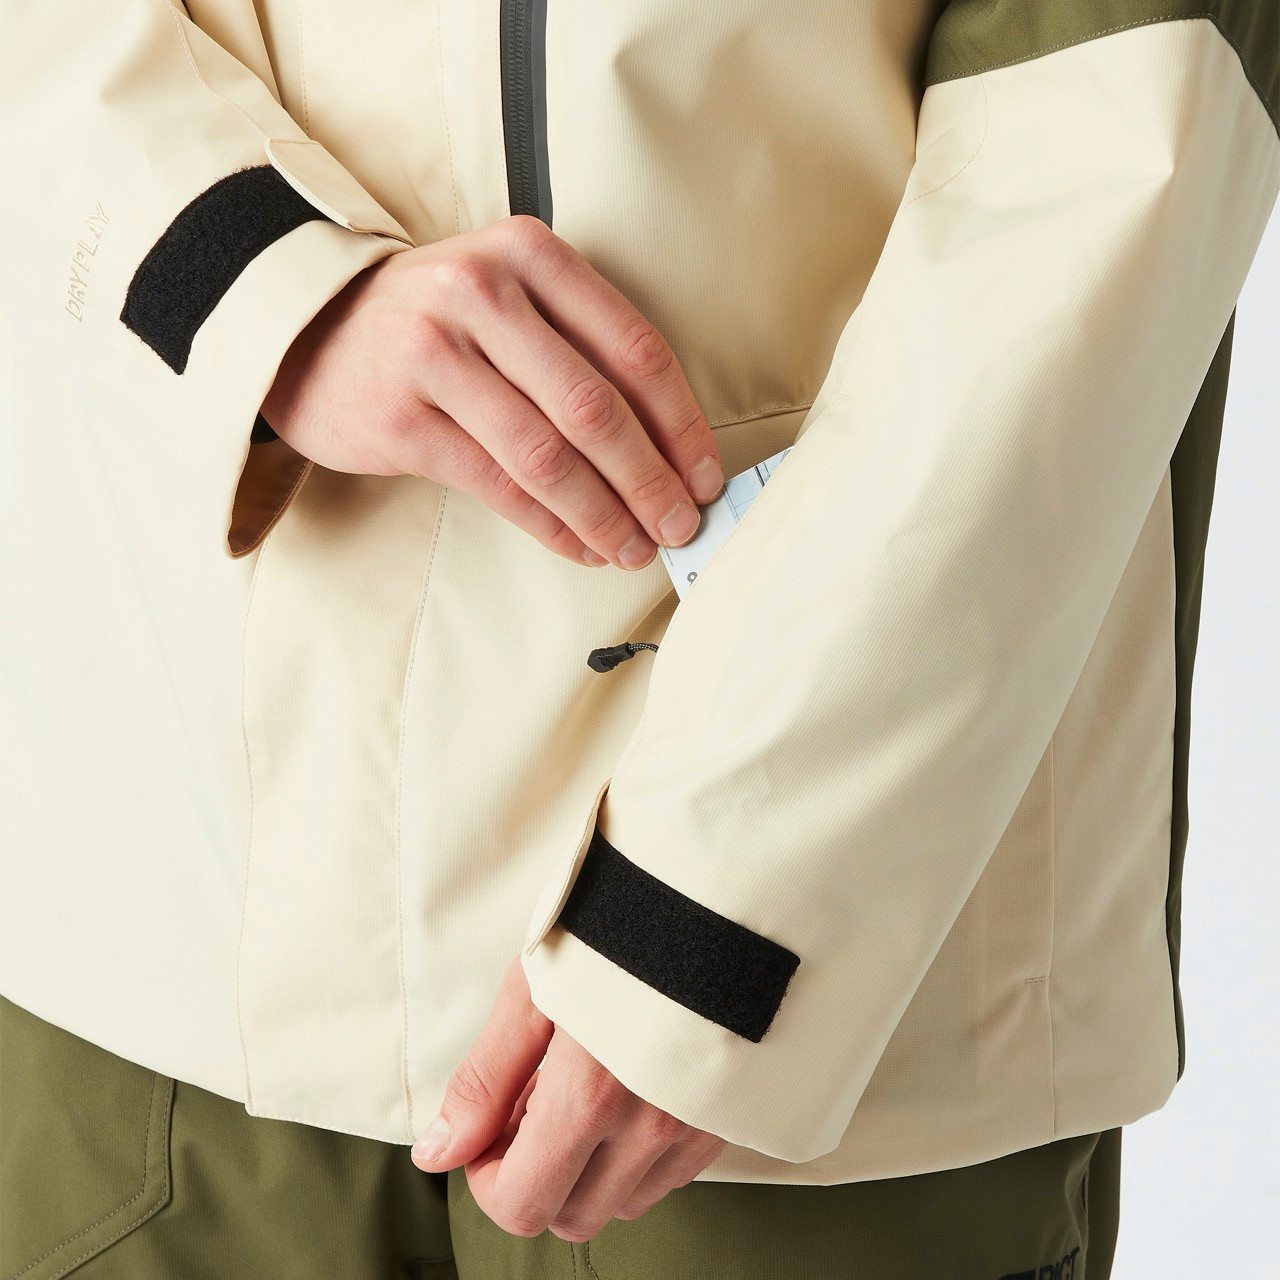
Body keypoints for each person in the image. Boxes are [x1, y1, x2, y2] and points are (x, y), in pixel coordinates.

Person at [1, 1, 1276, 1276]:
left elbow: (1098, 152)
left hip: (809, 1044)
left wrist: (721, 928)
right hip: (155, 932)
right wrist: (243, 283)